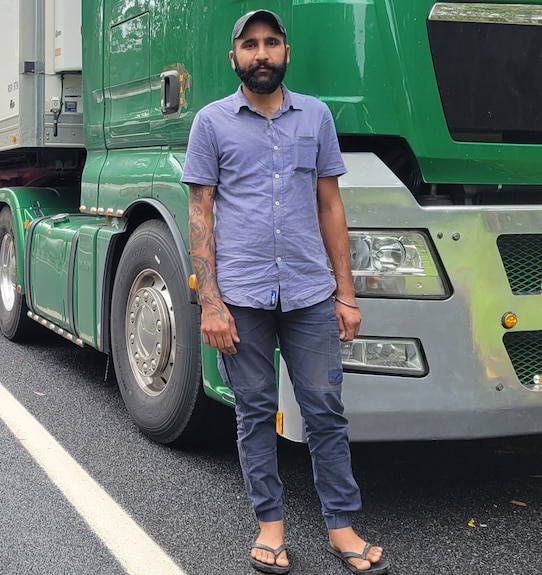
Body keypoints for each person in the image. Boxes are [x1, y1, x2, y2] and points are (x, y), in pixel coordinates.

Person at [182, 9, 389, 575]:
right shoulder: (211, 122)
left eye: (271, 43)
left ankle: (341, 526)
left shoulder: (315, 118)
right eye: (250, 45)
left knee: (325, 409)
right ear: (234, 57)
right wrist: (212, 302)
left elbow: (330, 206)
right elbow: (200, 212)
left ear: (286, 52)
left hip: (309, 294)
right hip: (242, 298)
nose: (261, 54)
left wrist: (346, 293)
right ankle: (269, 525)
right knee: (254, 411)